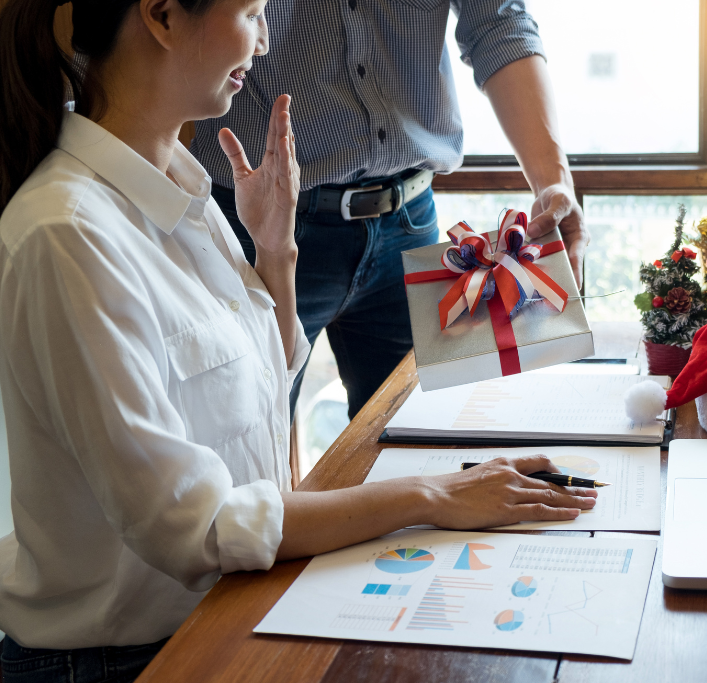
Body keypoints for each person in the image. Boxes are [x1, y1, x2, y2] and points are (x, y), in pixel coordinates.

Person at [0, 1, 596, 680]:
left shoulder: (181, 191)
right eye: (253, 11)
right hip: (123, 657)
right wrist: (433, 495)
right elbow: (195, 524)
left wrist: (275, 250)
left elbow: (259, 383)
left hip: (225, 608)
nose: (263, 41)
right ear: (163, 17)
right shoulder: (67, 232)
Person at [192, 0, 590, 420]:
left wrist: (553, 181)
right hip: (259, 223)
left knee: (419, 441)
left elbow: (497, 21)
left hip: (409, 223)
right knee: (247, 433)